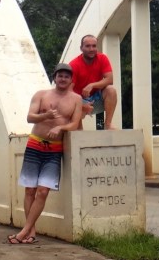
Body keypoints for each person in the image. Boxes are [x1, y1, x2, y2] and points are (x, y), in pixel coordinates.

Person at [8, 63, 82, 244]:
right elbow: (30, 117)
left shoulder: (76, 99)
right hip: (35, 145)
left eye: (67, 76)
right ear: (54, 77)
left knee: (42, 191)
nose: (63, 79)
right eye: (60, 75)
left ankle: (24, 231)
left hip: (54, 150)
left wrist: (60, 127)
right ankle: (31, 231)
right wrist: (46, 116)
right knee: (30, 190)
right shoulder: (41, 95)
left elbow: (74, 123)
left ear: (71, 80)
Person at [69, 34, 119, 130]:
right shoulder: (74, 64)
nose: (91, 49)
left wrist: (91, 85)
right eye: (87, 46)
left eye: (94, 46)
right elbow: (68, 91)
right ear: (81, 48)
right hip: (78, 100)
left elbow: (110, 79)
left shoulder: (102, 58)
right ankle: (79, 132)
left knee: (111, 90)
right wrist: (82, 105)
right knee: (77, 130)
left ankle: (108, 124)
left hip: (96, 97)